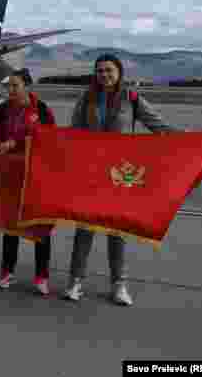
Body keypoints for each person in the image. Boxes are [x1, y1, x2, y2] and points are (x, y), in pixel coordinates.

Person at [62, 54, 177, 306]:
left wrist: (183, 140)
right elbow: (74, 133)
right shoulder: (86, 98)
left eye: (109, 70)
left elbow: (157, 124)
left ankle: (119, 285)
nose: (104, 75)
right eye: (100, 71)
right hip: (91, 174)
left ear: (119, 72)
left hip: (119, 176)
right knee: (85, 229)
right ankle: (75, 281)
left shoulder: (131, 99)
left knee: (117, 231)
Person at [0, 68, 56, 295]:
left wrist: (19, 142)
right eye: (8, 85)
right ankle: (7, 272)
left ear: (27, 87)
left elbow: (51, 140)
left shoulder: (42, 110)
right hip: (11, 175)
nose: (10, 90)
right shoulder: (1, 110)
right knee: (11, 225)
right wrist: (0, 144)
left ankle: (41, 276)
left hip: (36, 175)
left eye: (15, 85)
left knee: (40, 225)